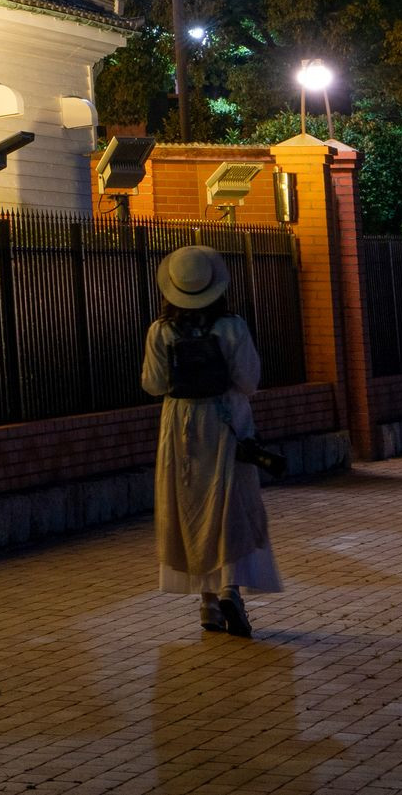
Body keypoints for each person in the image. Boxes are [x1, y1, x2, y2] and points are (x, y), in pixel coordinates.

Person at [143, 242, 280, 636]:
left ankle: (206, 603)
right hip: (227, 423)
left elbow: (153, 384)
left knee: (190, 508)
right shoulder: (232, 327)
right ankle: (229, 590)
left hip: (181, 428)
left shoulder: (161, 331)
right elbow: (248, 381)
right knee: (230, 506)